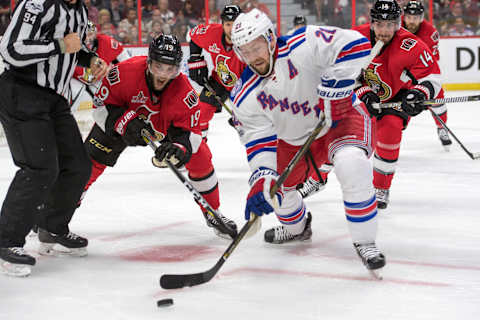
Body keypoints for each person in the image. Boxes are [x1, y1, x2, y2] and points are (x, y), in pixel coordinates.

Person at [230, 9, 385, 273]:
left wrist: (337, 82)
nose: (253, 56)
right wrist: (263, 178)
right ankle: (298, 229)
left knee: (351, 163)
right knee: (275, 193)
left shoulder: (304, 43)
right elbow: (259, 141)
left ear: (269, 38)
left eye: (256, 46)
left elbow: (356, 44)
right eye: (245, 51)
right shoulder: (244, 95)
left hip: (340, 119)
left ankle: (365, 241)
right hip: (294, 140)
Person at [81, 34, 237, 239]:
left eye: (170, 69)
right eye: (158, 67)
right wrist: (123, 122)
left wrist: (179, 149)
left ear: (178, 68)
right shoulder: (122, 73)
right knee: (86, 166)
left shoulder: (186, 94)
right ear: (148, 62)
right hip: (122, 119)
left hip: (165, 126)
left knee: (201, 157)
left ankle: (213, 212)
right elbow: (100, 107)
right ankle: (56, 215)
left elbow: (192, 135)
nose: (163, 74)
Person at [0, 0, 109, 277]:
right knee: (39, 168)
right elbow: (11, 49)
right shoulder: (37, 4)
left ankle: (51, 227)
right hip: (21, 91)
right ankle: (6, 242)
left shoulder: (81, 10)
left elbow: (74, 48)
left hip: (53, 98)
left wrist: (89, 58)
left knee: (78, 165)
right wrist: (60, 45)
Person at [353, 0, 443, 209]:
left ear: (397, 23)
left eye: (390, 25)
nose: (384, 31)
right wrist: (362, 91)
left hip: (394, 99)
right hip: (359, 97)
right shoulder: (355, 38)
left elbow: (433, 77)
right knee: (338, 136)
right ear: (372, 23)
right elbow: (339, 71)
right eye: (380, 24)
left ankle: (381, 187)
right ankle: (317, 176)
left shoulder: (410, 45)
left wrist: (419, 93)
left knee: (391, 130)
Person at [187, 4, 245, 139]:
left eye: (235, 24)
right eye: (228, 24)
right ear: (222, 24)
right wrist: (195, 59)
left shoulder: (250, 38)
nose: (231, 29)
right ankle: (199, 148)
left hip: (246, 84)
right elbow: (193, 36)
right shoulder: (212, 33)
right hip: (220, 81)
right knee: (201, 112)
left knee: (253, 125)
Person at [402, 0, 452, 150]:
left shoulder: (430, 33)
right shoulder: (395, 28)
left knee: (438, 100)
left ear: (422, 17)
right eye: (409, 17)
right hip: (401, 75)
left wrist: (423, 86)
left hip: (425, 73)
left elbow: (432, 63)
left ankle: (442, 128)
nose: (412, 21)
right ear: (404, 17)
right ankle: (393, 135)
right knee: (404, 106)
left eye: (416, 17)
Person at [71, 21, 131, 110]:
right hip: (78, 81)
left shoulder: (106, 42)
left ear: (95, 34)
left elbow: (127, 62)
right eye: (84, 35)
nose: (87, 38)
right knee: (75, 91)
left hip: (101, 81)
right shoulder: (70, 46)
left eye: (90, 34)